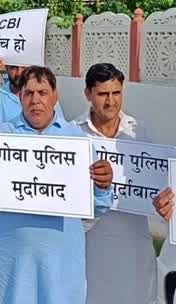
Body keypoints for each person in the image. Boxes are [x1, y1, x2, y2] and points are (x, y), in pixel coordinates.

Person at [0, 66, 113, 304]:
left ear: (55, 96)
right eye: (29, 93)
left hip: (62, 266)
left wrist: (103, 185)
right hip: (13, 263)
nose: (36, 100)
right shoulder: (4, 136)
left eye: (43, 93)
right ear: (20, 97)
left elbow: (98, 208)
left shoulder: (76, 141)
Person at [71, 62, 157, 304]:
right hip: (89, 248)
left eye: (116, 93)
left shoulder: (139, 134)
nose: (110, 102)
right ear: (88, 94)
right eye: (102, 94)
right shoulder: (73, 135)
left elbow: (156, 186)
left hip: (133, 246)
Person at [0, 58, 64, 128]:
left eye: (24, 67)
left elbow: (59, 129)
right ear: (7, 68)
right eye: (13, 68)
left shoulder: (46, 96)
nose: (19, 73)